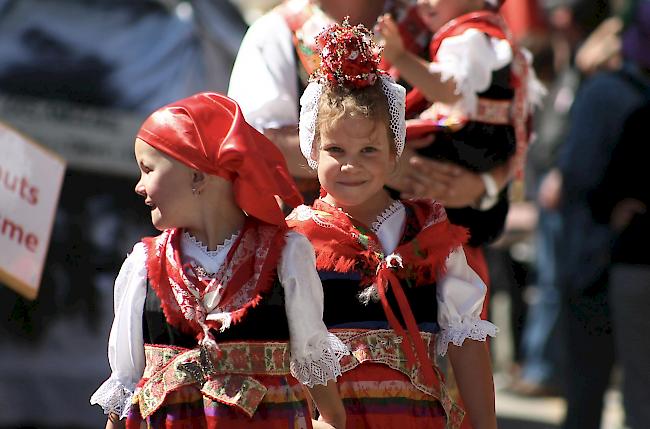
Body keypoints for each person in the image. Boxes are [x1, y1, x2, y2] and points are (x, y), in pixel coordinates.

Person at [89, 92, 348, 429]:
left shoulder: (285, 255)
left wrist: (332, 421)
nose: (139, 186)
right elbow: (126, 385)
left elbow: (312, 359)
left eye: (148, 169)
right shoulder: (144, 265)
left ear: (197, 176)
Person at [287, 21, 498, 429]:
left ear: (394, 153)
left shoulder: (428, 228)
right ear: (312, 148)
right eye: (335, 149)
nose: (351, 164)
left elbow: (466, 339)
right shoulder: (298, 236)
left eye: (369, 149)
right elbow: (292, 346)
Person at [377, 0, 546, 260]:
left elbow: (449, 90)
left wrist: (399, 56)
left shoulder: (467, 36)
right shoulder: (486, 33)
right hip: (480, 151)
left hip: (470, 150)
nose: (423, 3)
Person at [556, 1, 650, 427]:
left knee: (591, 388)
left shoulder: (607, 90)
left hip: (602, 259)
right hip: (602, 258)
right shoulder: (612, 92)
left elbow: (575, 174)